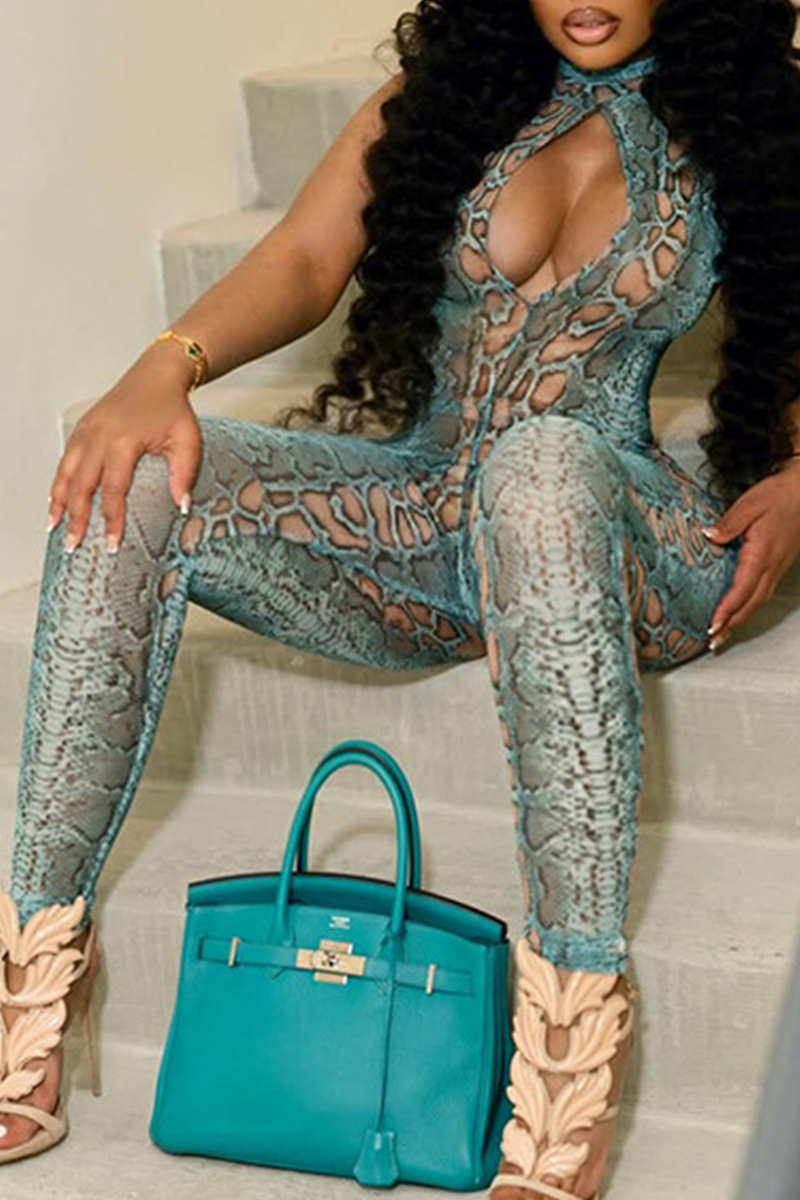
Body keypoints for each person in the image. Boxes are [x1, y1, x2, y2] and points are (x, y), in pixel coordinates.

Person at [2, 0, 800, 1194]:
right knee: (143, 478)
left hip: (622, 530)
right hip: (428, 524)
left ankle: (573, 1028)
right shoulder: (441, 100)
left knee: (541, 463)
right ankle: (31, 970)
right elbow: (303, 258)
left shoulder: (753, 119)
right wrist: (162, 367)